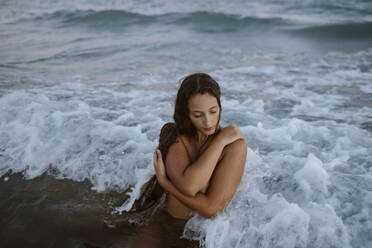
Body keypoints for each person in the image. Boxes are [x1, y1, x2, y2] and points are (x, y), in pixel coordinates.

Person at [151, 73, 247, 220]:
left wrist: (165, 183)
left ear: (220, 107)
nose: (208, 122)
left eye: (213, 112)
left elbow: (211, 209)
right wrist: (219, 141)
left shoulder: (233, 146)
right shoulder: (174, 135)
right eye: (197, 115)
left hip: (199, 238)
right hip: (163, 222)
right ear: (186, 113)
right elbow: (189, 187)